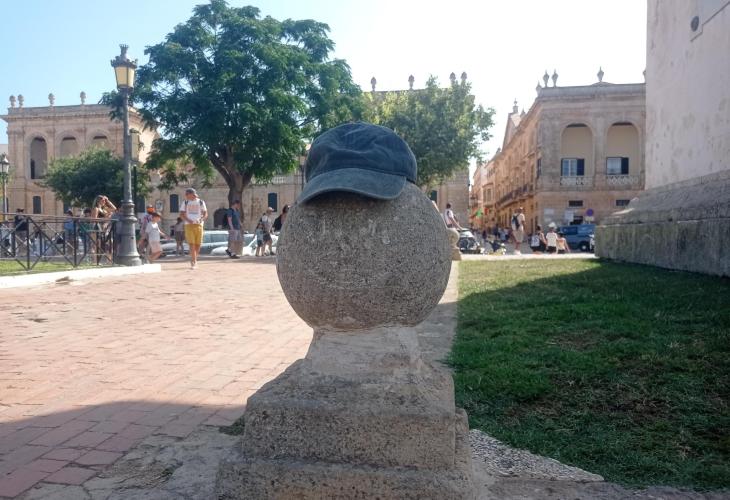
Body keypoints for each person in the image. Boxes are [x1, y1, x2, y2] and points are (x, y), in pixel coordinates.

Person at [180, 188, 207, 269]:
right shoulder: (185, 202)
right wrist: (188, 220)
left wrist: (201, 219)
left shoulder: (201, 202)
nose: (186, 196)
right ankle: (194, 261)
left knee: (198, 244)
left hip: (199, 225)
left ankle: (194, 259)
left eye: (187, 194)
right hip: (188, 225)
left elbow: (205, 214)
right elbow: (181, 214)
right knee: (192, 244)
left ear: (192, 194)